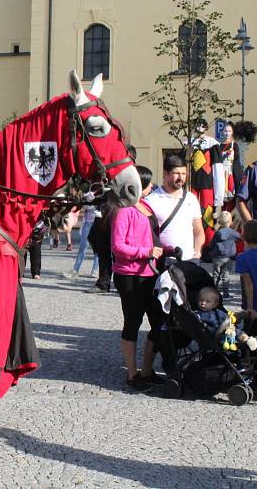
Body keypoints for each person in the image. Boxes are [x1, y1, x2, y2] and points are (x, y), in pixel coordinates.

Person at [110, 165, 165, 391]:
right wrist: (145, 252)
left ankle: (147, 369)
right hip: (130, 275)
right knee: (132, 323)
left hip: (150, 272)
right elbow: (118, 246)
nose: (152, 186)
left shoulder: (145, 206)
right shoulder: (123, 210)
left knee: (159, 322)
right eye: (148, 183)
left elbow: (152, 238)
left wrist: (167, 249)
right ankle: (132, 374)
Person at [146, 154, 204, 262]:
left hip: (189, 260)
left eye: (183, 173)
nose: (181, 177)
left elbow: (199, 230)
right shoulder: (151, 200)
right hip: (163, 260)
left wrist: (197, 252)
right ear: (165, 174)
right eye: (176, 173)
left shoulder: (191, 198)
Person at [188, 118, 224, 244]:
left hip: (207, 186)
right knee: (191, 214)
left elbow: (217, 168)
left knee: (207, 215)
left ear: (205, 127)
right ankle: (191, 244)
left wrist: (219, 198)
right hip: (191, 186)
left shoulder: (212, 144)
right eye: (196, 125)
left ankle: (208, 244)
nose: (198, 128)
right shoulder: (189, 144)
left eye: (201, 125)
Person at [195, 286, 257, 351]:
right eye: (201, 300)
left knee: (236, 331)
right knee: (234, 332)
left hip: (226, 330)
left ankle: (247, 340)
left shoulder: (218, 312)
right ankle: (246, 340)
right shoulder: (198, 314)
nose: (203, 303)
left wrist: (235, 319)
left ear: (214, 305)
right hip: (215, 336)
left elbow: (228, 318)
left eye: (207, 301)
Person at [234, 219, 257, 335]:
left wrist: (250, 308)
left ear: (243, 237)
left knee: (252, 336)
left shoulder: (243, 258)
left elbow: (248, 284)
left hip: (256, 305)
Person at [63, 192, 99, 279]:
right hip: (87, 223)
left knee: (98, 248)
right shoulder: (88, 193)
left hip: (98, 222)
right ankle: (75, 270)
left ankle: (95, 270)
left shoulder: (101, 193)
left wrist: (91, 204)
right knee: (83, 247)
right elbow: (84, 205)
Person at [209, 211, 240, 299]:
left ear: (219, 222)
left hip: (217, 257)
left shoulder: (217, 233)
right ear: (231, 222)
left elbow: (211, 244)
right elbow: (241, 238)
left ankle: (213, 292)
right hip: (228, 258)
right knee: (225, 275)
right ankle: (226, 294)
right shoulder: (233, 233)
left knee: (215, 275)